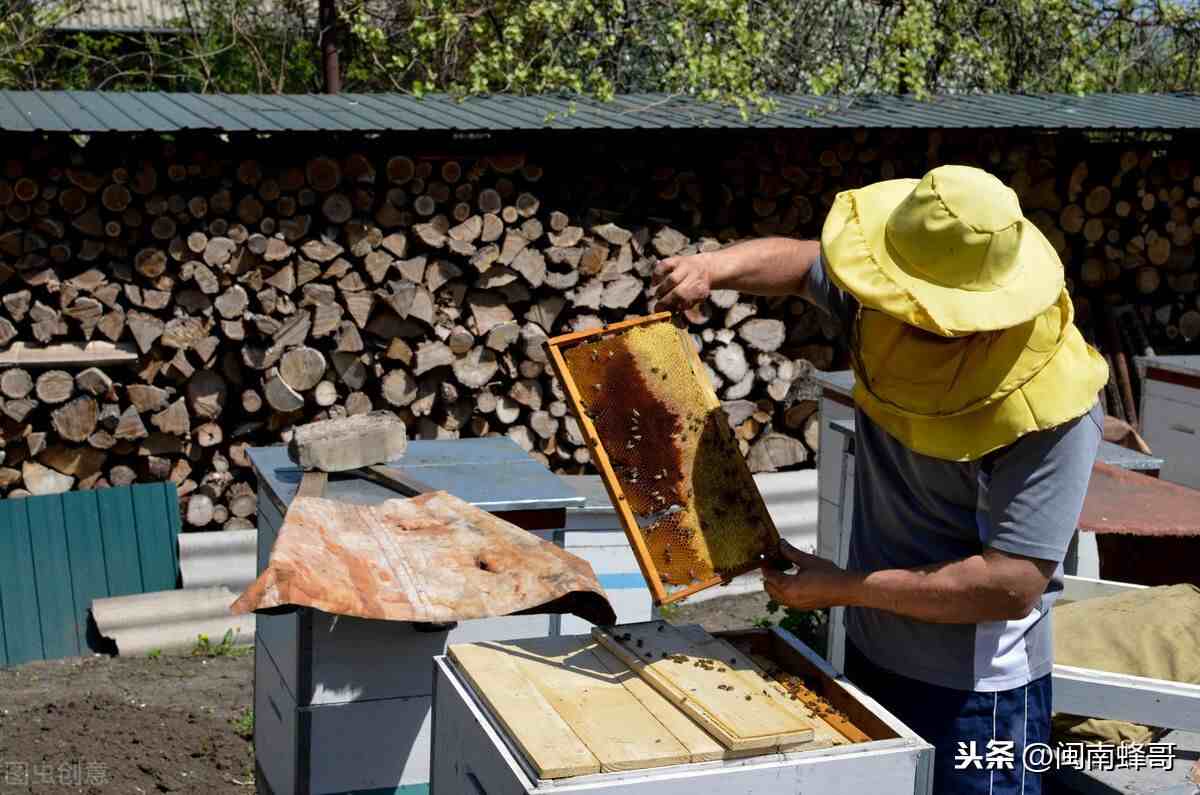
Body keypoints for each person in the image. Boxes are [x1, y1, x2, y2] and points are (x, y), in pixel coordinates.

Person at [652, 165, 1108, 795]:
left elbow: (1008, 586)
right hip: (871, 654)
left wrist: (844, 587)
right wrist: (714, 265)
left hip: (976, 699)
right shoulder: (885, 303)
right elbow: (805, 262)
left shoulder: (1058, 408)